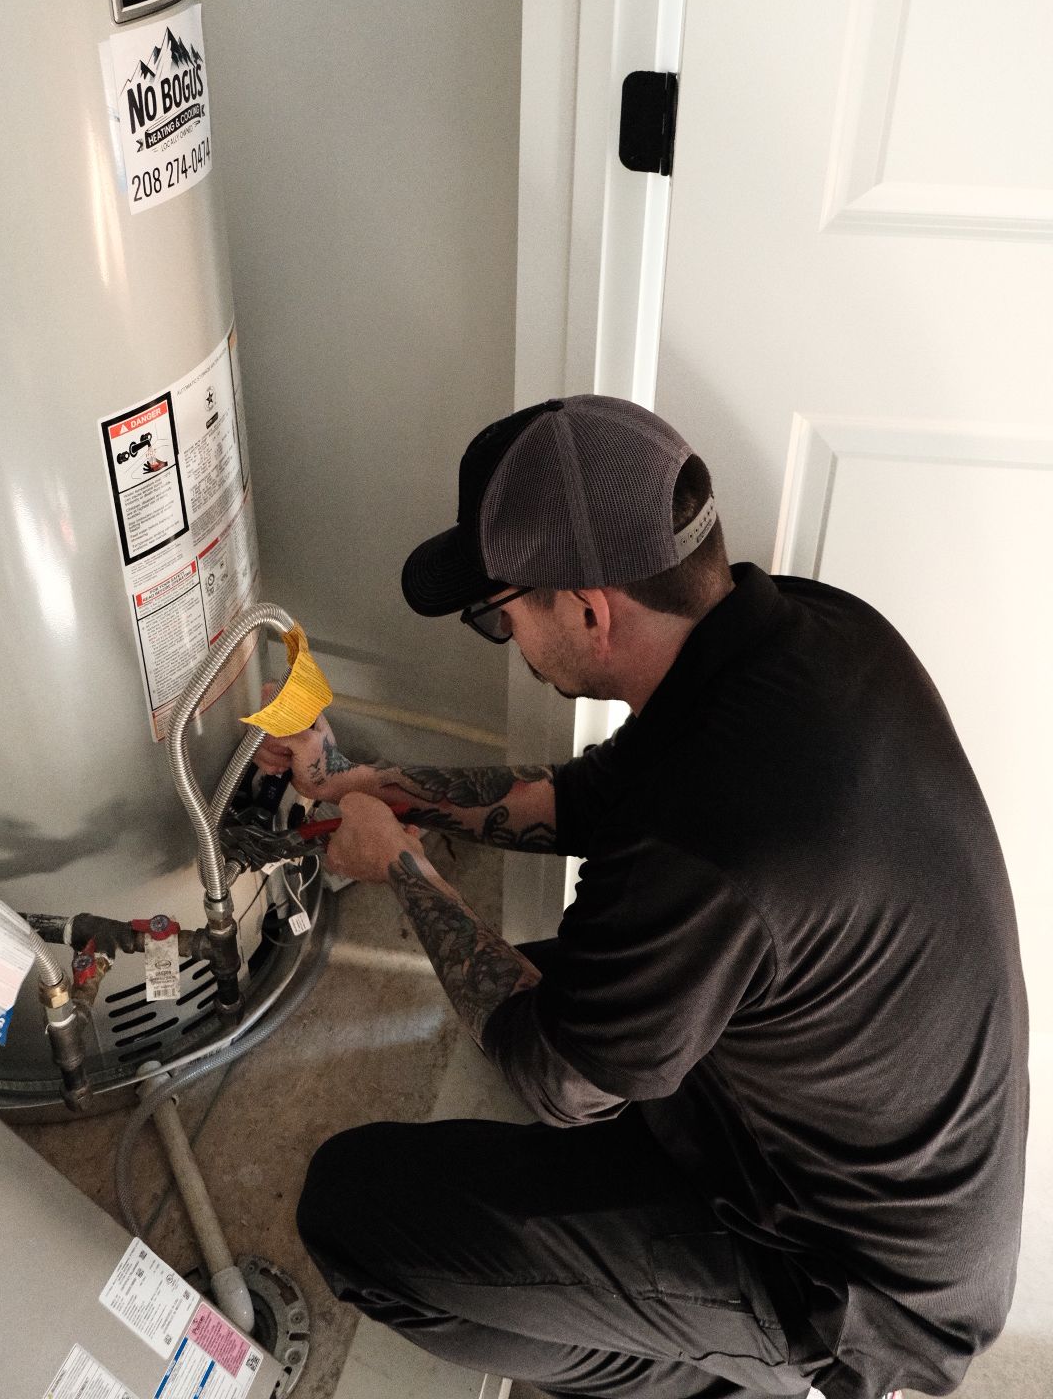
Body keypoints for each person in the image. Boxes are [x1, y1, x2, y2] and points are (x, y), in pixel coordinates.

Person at [255, 395, 1028, 1399]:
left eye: (501, 616)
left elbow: (557, 1082)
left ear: (587, 608)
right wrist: (385, 788)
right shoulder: (810, 628)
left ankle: (708, 1377)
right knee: (567, 975)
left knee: (354, 1209)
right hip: (874, 1143)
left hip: (849, 1286)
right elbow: (592, 797)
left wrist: (402, 871)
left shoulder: (704, 846)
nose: (508, 638)